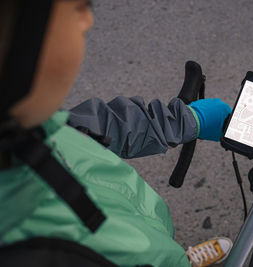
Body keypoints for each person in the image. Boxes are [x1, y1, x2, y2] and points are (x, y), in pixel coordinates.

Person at [0, 1, 233, 267]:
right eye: (78, 6)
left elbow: (87, 130)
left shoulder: (25, 123)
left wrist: (178, 121)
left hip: (153, 243)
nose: (88, 19)